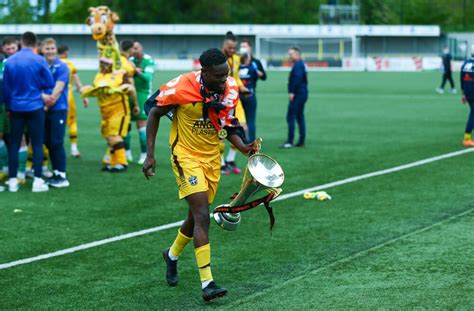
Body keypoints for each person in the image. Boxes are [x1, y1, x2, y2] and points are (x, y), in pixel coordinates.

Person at [143, 48, 257, 301]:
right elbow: (154, 112)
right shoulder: (181, 87)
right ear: (203, 72)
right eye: (218, 76)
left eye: (226, 74)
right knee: (203, 215)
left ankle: (171, 255)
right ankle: (207, 283)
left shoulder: (230, 89)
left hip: (211, 158)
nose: (224, 79)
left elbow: (228, 124)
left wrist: (244, 148)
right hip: (184, 156)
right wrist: (150, 154)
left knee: (195, 217)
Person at [2, 31, 54, 192]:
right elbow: (49, 83)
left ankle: (12, 182)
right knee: (37, 144)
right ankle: (37, 181)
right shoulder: (39, 60)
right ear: (35, 44)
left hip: (16, 108)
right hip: (35, 107)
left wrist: (9, 108)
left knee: (14, 144)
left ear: (21, 43)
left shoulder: (10, 61)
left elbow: (6, 88)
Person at [81, 57, 137, 172]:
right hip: (105, 112)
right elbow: (95, 89)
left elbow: (131, 89)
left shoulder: (120, 75)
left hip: (119, 110)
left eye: (106, 63)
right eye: (102, 63)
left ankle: (122, 163)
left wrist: (135, 105)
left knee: (114, 136)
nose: (103, 65)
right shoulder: (99, 76)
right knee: (109, 137)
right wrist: (85, 94)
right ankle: (111, 162)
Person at [41, 38, 70, 188]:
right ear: (42, 50)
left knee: (56, 142)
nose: (50, 51)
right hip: (43, 109)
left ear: (56, 50)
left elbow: (59, 88)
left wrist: (47, 102)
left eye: (52, 48)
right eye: (47, 48)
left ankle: (62, 176)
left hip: (58, 109)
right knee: (48, 142)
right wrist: (42, 97)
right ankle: (56, 172)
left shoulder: (62, 66)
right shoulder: (39, 64)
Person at [221, 31, 249, 175]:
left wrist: (242, 87)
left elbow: (236, 77)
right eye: (229, 48)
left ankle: (230, 160)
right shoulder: (218, 58)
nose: (232, 51)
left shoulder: (236, 59)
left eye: (234, 48)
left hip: (235, 98)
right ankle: (220, 163)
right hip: (221, 100)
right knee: (221, 132)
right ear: (224, 45)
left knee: (242, 127)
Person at [125, 40, 155, 165]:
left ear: (141, 48)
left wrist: (135, 69)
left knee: (141, 126)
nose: (133, 50)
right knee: (125, 124)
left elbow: (147, 78)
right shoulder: (129, 59)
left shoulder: (148, 60)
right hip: (128, 93)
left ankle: (144, 154)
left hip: (142, 94)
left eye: (136, 48)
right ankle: (126, 153)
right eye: (132, 48)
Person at [58, 45, 89, 158]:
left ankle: (55, 148)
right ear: (66, 53)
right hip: (68, 96)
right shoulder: (70, 65)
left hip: (56, 96)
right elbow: (78, 82)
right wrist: (84, 96)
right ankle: (74, 149)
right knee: (72, 122)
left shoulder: (54, 63)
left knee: (55, 123)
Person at [280, 47, 308, 149]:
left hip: (298, 94)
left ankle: (290, 141)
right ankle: (301, 141)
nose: (289, 56)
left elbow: (297, 79)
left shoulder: (298, 66)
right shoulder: (300, 64)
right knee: (300, 116)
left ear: (297, 54)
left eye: (291, 54)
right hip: (302, 93)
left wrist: (291, 92)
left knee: (291, 116)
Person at [239, 51, 259, 142]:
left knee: (240, 119)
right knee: (251, 120)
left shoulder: (237, 69)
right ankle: (251, 140)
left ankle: (241, 139)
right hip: (250, 95)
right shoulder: (252, 68)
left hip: (239, 96)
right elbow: (255, 78)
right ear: (247, 59)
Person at [460, 46, 474, 147]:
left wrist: (463, 94)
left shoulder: (465, 63)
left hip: (468, 93)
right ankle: (467, 138)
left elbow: (462, 79)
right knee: (473, 115)